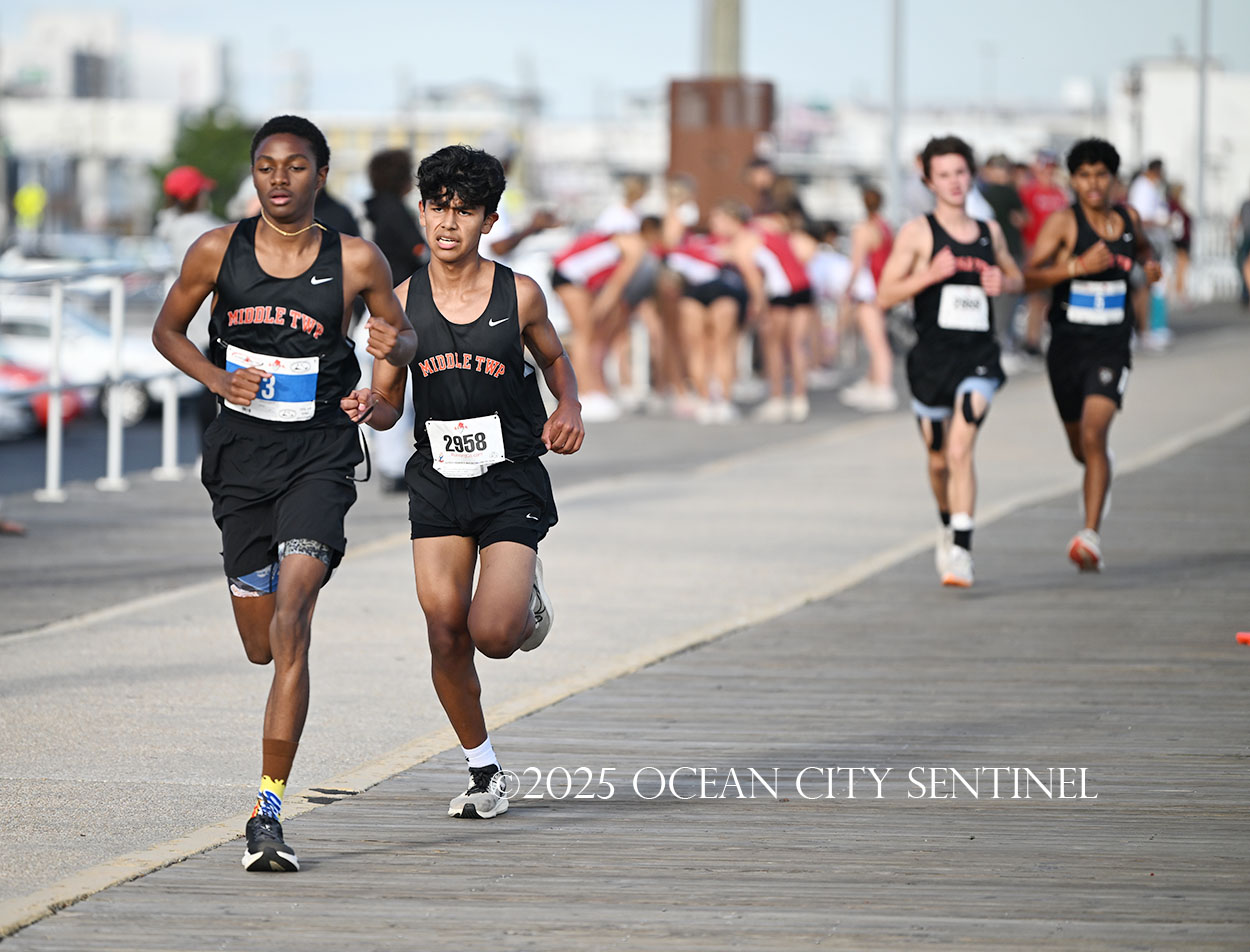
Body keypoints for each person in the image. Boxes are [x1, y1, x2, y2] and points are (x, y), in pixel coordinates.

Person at [151, 115, 418, 872]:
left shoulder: (356, 259)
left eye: (295, 166)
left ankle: (267, 810)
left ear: (320, 176)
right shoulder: (217, 249)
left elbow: (402, 345)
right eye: (266, 165)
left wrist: (387, 366)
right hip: (240, 458)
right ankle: (257, 598)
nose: (279, 178)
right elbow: (167, 330)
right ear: (253, 174)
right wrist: (216, 378)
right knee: (260, 643)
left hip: (319, 456)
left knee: (293, 619)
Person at [342, 144, 583, 820]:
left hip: (511, 477)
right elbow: (389, 405)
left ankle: (525, 596)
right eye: (438, 208)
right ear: (421, 211)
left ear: (489, 221)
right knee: (445, 629)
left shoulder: (520, 294)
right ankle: (484, 771)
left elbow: (554, 359)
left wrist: (568, 405)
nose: (449, 223)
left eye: (466, 211)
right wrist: (366, 404)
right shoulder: (399, 304)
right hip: (438, 480)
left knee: (495, 635)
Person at [877, 135, 1023, 588]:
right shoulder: (918, 233)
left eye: (960, 172)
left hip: (978, 357)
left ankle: (961, 550)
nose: (954, 182)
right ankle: (946, 521)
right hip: (931, 361)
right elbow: (884, 294)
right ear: (929, 182)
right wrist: (929, 275)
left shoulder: (989, 231)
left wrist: (1004, 282)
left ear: (971, 174)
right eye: (944, 175)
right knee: (939, 459)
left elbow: (1016, 275)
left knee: (961, 448)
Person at [1024, 138, 1161, 572]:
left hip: (1111, 345)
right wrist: (1075, 267)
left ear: (1114, 179)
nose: (1093, 184)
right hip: (1067, 346)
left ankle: (1089, 536)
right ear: (1073, 180)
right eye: (1084, 176)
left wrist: (1150, 265)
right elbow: (1027, 277)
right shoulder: (1063, 223)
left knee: (1094, 432)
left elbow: (1144, 249)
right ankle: (1101, 470)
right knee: (1080, 446)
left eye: (1101, 174)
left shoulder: (1127, 219)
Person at [154, 165, 224, 441]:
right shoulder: (204, 229)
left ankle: (206, 449)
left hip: (191, 317)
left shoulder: (170, 226)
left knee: (206, 383)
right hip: (210, 317)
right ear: (194, 195)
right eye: (202, 191)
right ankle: (210, 447)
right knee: (215, 383)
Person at [837, 185, 899, 412]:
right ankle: (872, 382)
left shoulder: (863, 229)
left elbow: (856, 264)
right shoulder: (885, 227)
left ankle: (882, 387)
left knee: (876, 343)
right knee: (877, 337)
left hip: (869, 292)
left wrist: (846, 290)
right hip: (883, 288)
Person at [1017, 150, 1069, 356]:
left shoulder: (1059, 193)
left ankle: (1043, 338)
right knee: (1035, 299)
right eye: (1045, 169)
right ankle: (1032, 341)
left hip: (1055, 253)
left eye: (1051, 169)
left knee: (1051, 299)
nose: (1048, 173)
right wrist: (1028, 251)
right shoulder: (1028, 192)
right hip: (1035, 250)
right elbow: (1023, 223)